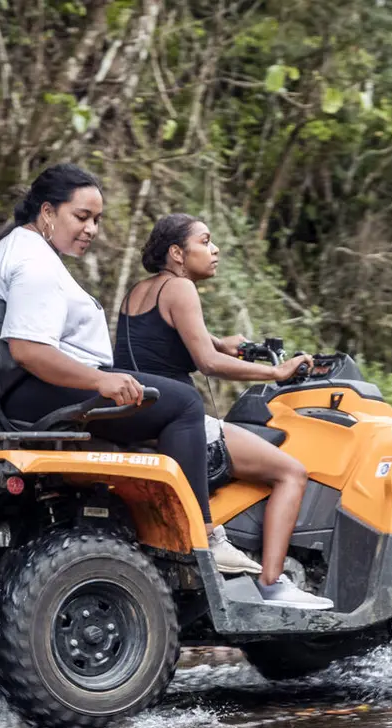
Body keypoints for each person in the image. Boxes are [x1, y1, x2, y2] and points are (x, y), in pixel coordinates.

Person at [0, 165, 251, 574]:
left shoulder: (15, 249)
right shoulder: (35, 263)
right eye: (82, 217)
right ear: (48, 212)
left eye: (97, 221)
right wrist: (100, 379)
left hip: (20, 390)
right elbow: (30, 350)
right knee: (185, 404)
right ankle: (202, 538)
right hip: (38, 385)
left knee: (162, 397)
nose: (91, 230)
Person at [117, 213, 333, 609]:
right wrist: (275, 371)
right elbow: (207, 362)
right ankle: (272, 583)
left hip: (143, 417)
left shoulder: (139, 291)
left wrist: (226, 341)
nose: (214, 249)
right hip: (181, 420)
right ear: (178, 253)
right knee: (291, 472)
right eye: (206, 241)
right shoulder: (181, 288)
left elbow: (182, 338)